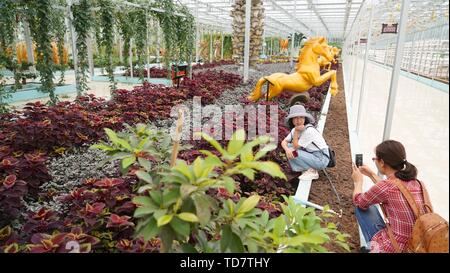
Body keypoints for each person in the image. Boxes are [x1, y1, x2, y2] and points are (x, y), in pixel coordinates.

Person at [351, 140, 429, 253]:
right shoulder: (419, 183)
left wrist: (358, 181)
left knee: (364, 208)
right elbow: (393, 189)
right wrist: (372, 174)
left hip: (395, 248)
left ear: (382, 162)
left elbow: (359, 201)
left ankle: (373, 249)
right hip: (418, 245)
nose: (374, 161)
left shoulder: (387, 186)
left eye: (375, 159)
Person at [281, 104, 330, 181]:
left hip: (321, 158)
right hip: (312, 155)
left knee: (293, 152)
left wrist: (296, 132)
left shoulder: (309, 130)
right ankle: (307, 168)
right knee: (289, 148)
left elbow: (296, 146)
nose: (299, 120)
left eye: (301, 117)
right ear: (292, 120)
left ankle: (312, 171)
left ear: (305, 119)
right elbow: (284, 142)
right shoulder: (295, 129)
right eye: (296, 118)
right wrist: (287, 150)